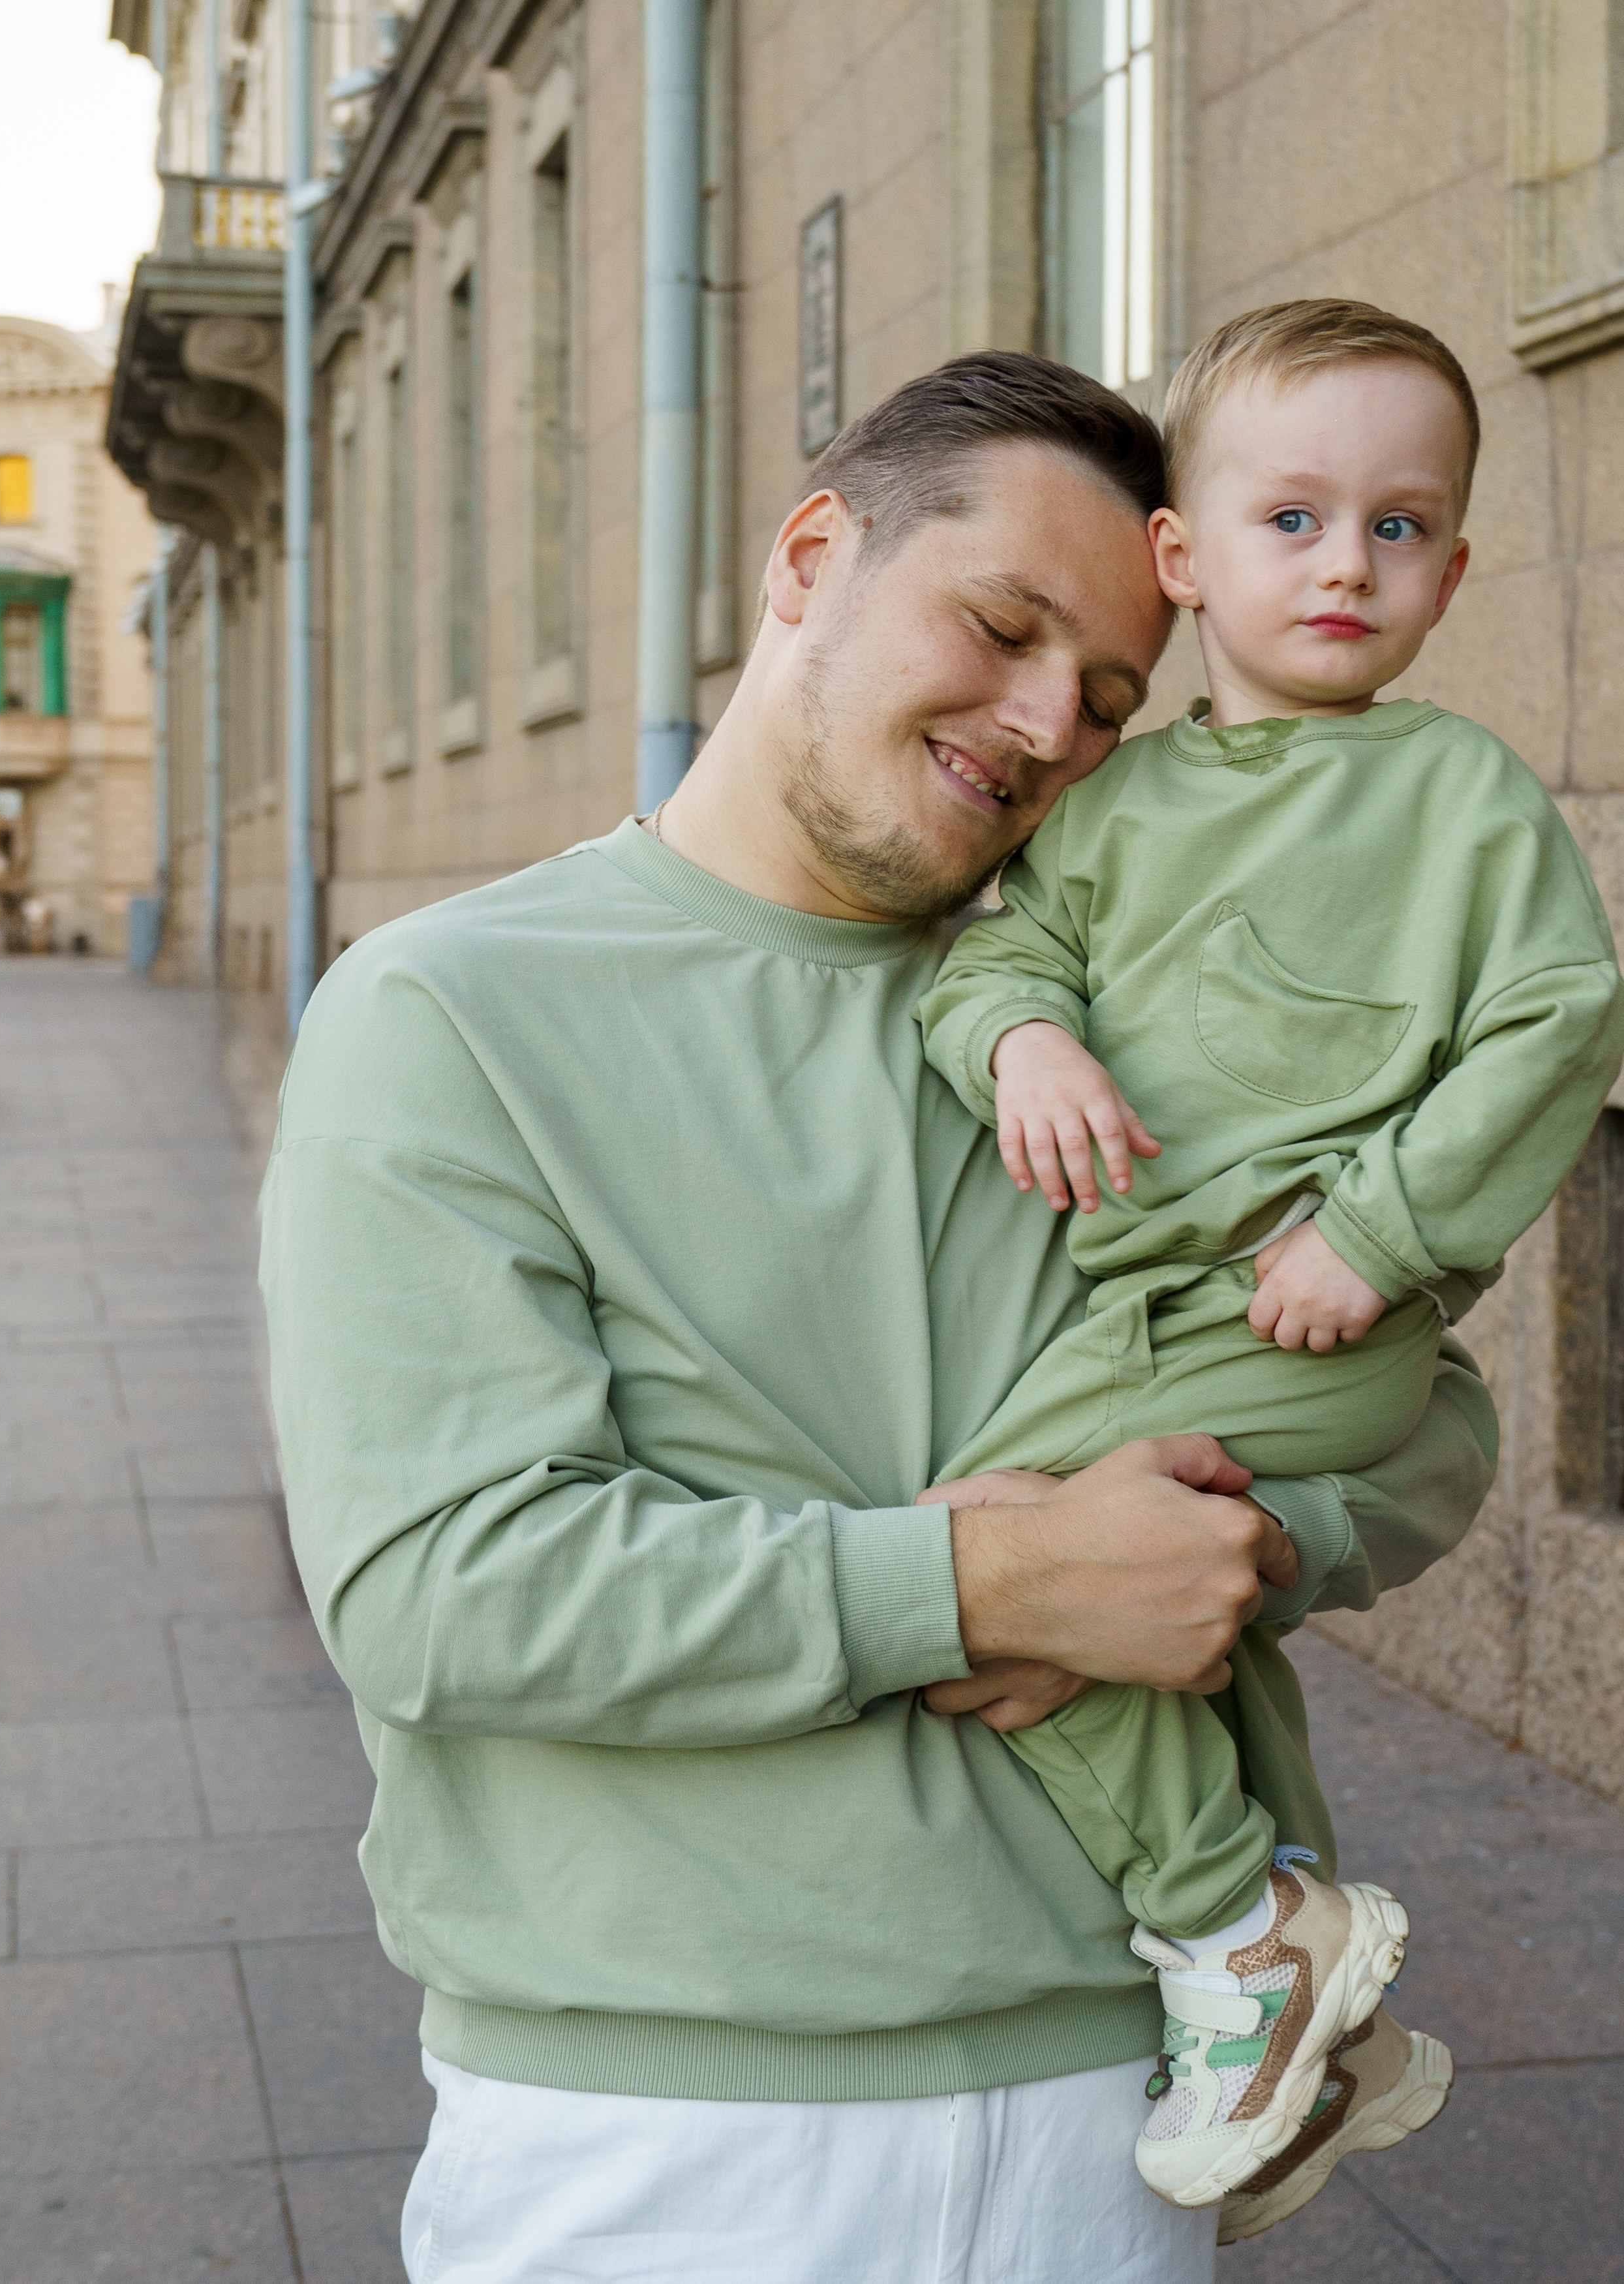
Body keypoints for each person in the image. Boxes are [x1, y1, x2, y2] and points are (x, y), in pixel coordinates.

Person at [258, 351, 1499, 2284]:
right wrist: (993, 1582)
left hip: (1122, 2102)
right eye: (1003, 628)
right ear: (814, 555)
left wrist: (1233, 1549)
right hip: (657, 2135)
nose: (1043, 727)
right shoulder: (445, 1010)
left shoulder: (1099, 1020)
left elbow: (1429, 1417)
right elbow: (441, 1587)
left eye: (1105, 698)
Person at [918, 305, 1624, 2223]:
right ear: (1186, 559)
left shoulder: (1458, 795)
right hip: (1137, 1300)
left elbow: (1561, 1019)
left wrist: (1378, 1231)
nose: (1345, 563)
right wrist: (1024, 1042)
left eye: (1400, 529)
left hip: (1304, 1311)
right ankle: (1325, 2013)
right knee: (1169, 1617)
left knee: (997, 1558)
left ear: (1456, 571)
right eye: (1294, 516)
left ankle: (1234, 1931)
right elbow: (999, 959)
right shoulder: (1112, 806)